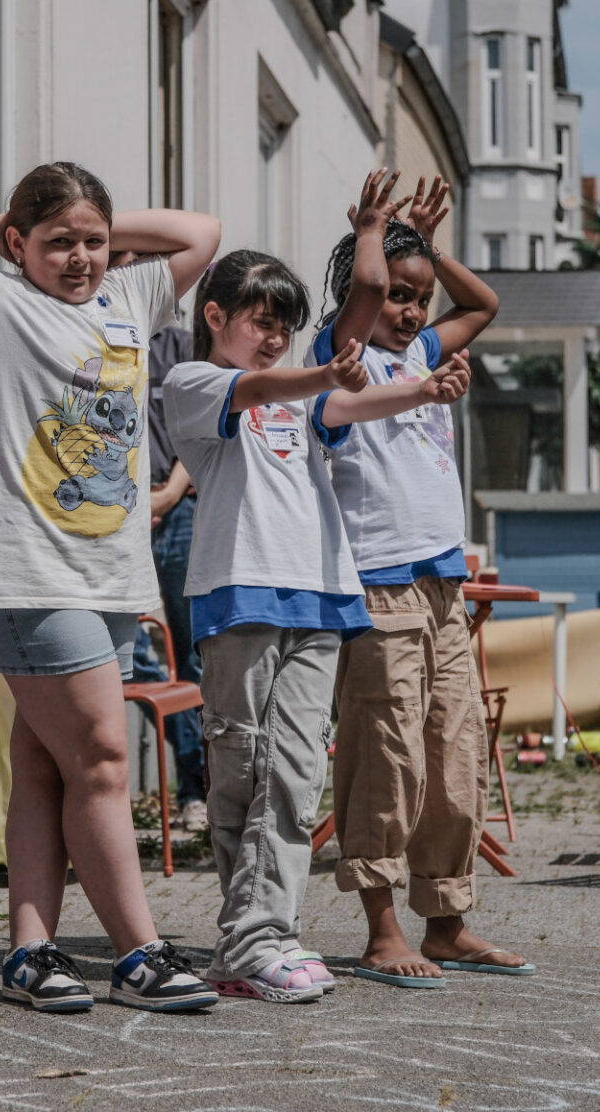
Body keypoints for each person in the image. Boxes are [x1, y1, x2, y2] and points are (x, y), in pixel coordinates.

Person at [0, 163, 223, 1014]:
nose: (79, 258)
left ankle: (30, 951)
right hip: (30, 574)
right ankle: (138, 952)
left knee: (45, 763)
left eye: (93, 243)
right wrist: (7, 225)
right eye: (58, 242)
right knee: (105, 758)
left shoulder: (130, 297)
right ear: (16, 245)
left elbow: (201, 233)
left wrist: (98, 226)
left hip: (109, 575)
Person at [164, 250, 472, 1003]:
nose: (274, 340)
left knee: (295, 779)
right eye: (262, 323)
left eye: (284, 329)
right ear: (215, 317)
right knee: (243, 772)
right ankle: (249, 940)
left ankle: (268, 935)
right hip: (240, 598)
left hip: (324, 598)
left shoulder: (305, 399)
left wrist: (423, 389)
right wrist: (331, 370)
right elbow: (275, 383)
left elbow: (354, 404)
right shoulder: (194, 385)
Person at [309, 171, 531, 987]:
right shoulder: (342, 359)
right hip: (378, 584)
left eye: (418, 297)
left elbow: (485, 309)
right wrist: (373, 229)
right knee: (386, 753)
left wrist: (430, 246)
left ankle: (447, 919)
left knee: (453, 751)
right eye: (399, 298)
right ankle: (381, 928)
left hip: (443, 585)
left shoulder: (425, 349)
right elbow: (366, 287)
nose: (410, 311)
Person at [128, 319, 208, 833]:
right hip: (113, 509)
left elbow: (200, 430)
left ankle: (196, 792)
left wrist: (170, 494)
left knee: (191, 651)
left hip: (176, 506)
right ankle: (190, 769)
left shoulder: (182, 345)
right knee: (130, 649)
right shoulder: (93, 334)